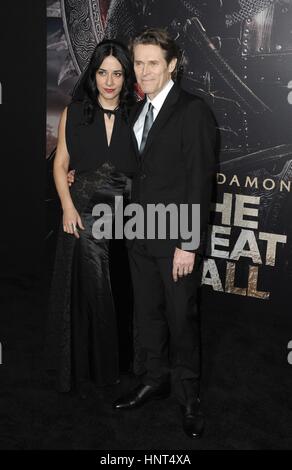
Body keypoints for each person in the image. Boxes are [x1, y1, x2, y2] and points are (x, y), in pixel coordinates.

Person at [112, 28, 217, 439]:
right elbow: (133, 173)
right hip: (138, 234)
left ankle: (189, 397)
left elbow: (198, 183)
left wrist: (188, 243)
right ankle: (155, 379)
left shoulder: (193, 111)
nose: (144, 70)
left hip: (175, 240)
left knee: (181, 320)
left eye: (153, 62)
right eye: (138, 62)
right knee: (148, 315)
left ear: (172, 64)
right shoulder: (136, 111)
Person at [47, 39, 137, 397]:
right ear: (93, 74)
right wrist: (67, 206)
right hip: (84, 211)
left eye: (117, 73)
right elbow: (60, 166)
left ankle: (123, 360)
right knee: (94, 289)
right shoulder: (76, 111)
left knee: (126, 289)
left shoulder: (138, 113)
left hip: (130, 215)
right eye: (103, 72)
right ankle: (94, 365)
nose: (110, 81)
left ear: (126, 75)